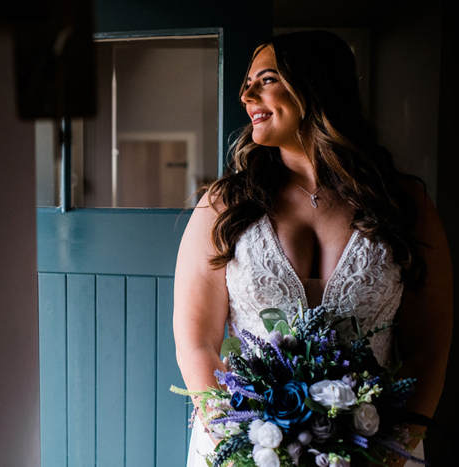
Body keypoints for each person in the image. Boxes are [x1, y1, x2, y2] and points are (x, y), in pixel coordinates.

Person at [173, 30, 452, 467]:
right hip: (248, 449)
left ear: (315, 87)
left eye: (266, 79)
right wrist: (245, 443)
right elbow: (197, 344)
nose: (246, 93)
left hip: (376, 451)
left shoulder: (404, 205)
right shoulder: (224, 205)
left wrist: (391, 448)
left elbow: (429, 346)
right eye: (247, 81)